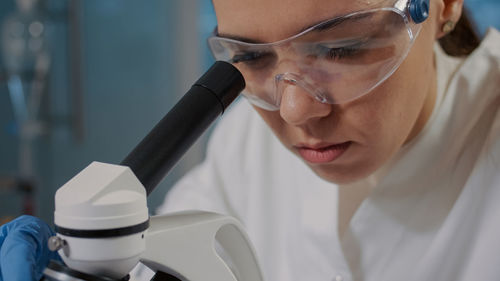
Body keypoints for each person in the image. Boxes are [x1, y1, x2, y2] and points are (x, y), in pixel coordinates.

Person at [1, 0, 499, 280]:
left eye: (342, 49)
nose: (294, 110)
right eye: (253, 60)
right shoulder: (243, 141)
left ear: (442, 7)